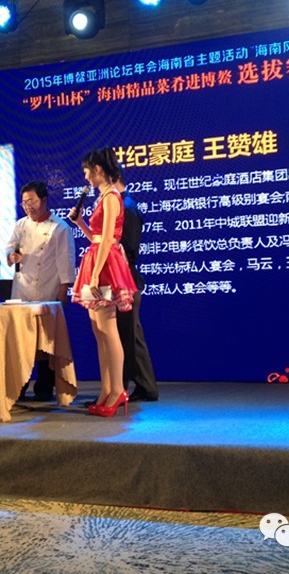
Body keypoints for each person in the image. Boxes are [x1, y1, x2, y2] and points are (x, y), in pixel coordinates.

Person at [69, 148, 138, 418]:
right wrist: (80, 223)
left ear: (98, 169)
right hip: (97, 260)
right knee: (100, 332)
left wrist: (96, 274)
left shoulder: (111, 197)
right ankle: (106, 390)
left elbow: (109, 238)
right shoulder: (103, 197)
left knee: (108, 330)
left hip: (105, 265)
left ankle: (118, 389)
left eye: (87, 170)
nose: (86, 176)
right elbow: (97, 237)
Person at [5, 181, 76, 401]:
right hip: (22, 290)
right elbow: (10, 247)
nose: (28, 206)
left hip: (48, 289)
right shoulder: (20, 225)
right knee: (21, 341)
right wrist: (11, 256)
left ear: (44, 200)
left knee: (46, 343)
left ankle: (45, 386)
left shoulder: (59, 227)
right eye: (25, 202)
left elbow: (65, 261)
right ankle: (19, 385)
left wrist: (64, 290)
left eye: (32, 202)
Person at [116, 168, 159, 402]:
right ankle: (140, 386)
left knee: (129, 335)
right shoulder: (124, 205)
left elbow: (129, 249)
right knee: (130, 335)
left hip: (126, 279)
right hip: (124, 278)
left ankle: (132, 387)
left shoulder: (127, 207)